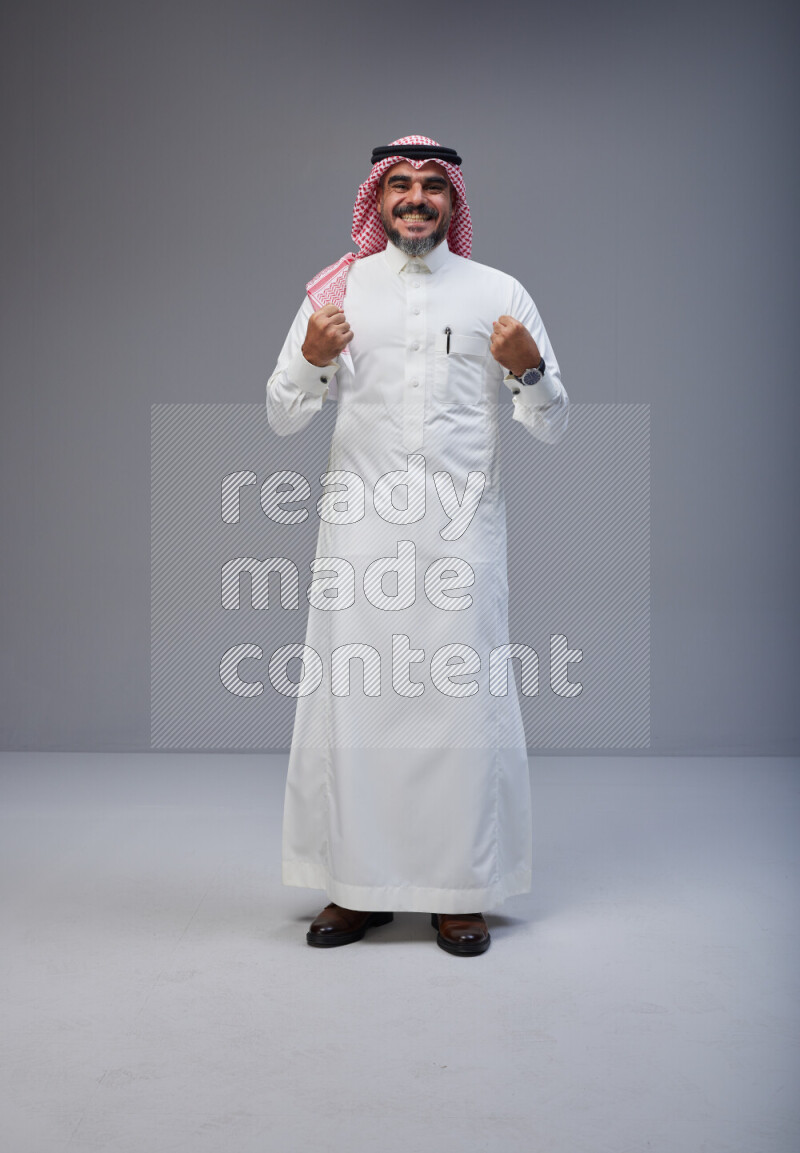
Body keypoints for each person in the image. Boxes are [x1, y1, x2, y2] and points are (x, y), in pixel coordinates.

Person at [266, 135, 569, 956]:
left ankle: (458, 891)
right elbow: (281, 413)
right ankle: (356, 888)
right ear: (378, 197)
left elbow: (554, 421)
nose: (414, 199)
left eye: (432, 186)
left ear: (453, 201)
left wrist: (529, 368)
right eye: (398, 185)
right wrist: (312, 356)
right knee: (356, 707)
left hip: (461, 538)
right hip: (359, 539)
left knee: (458, 710)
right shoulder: (339, 289)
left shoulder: (498, 292)